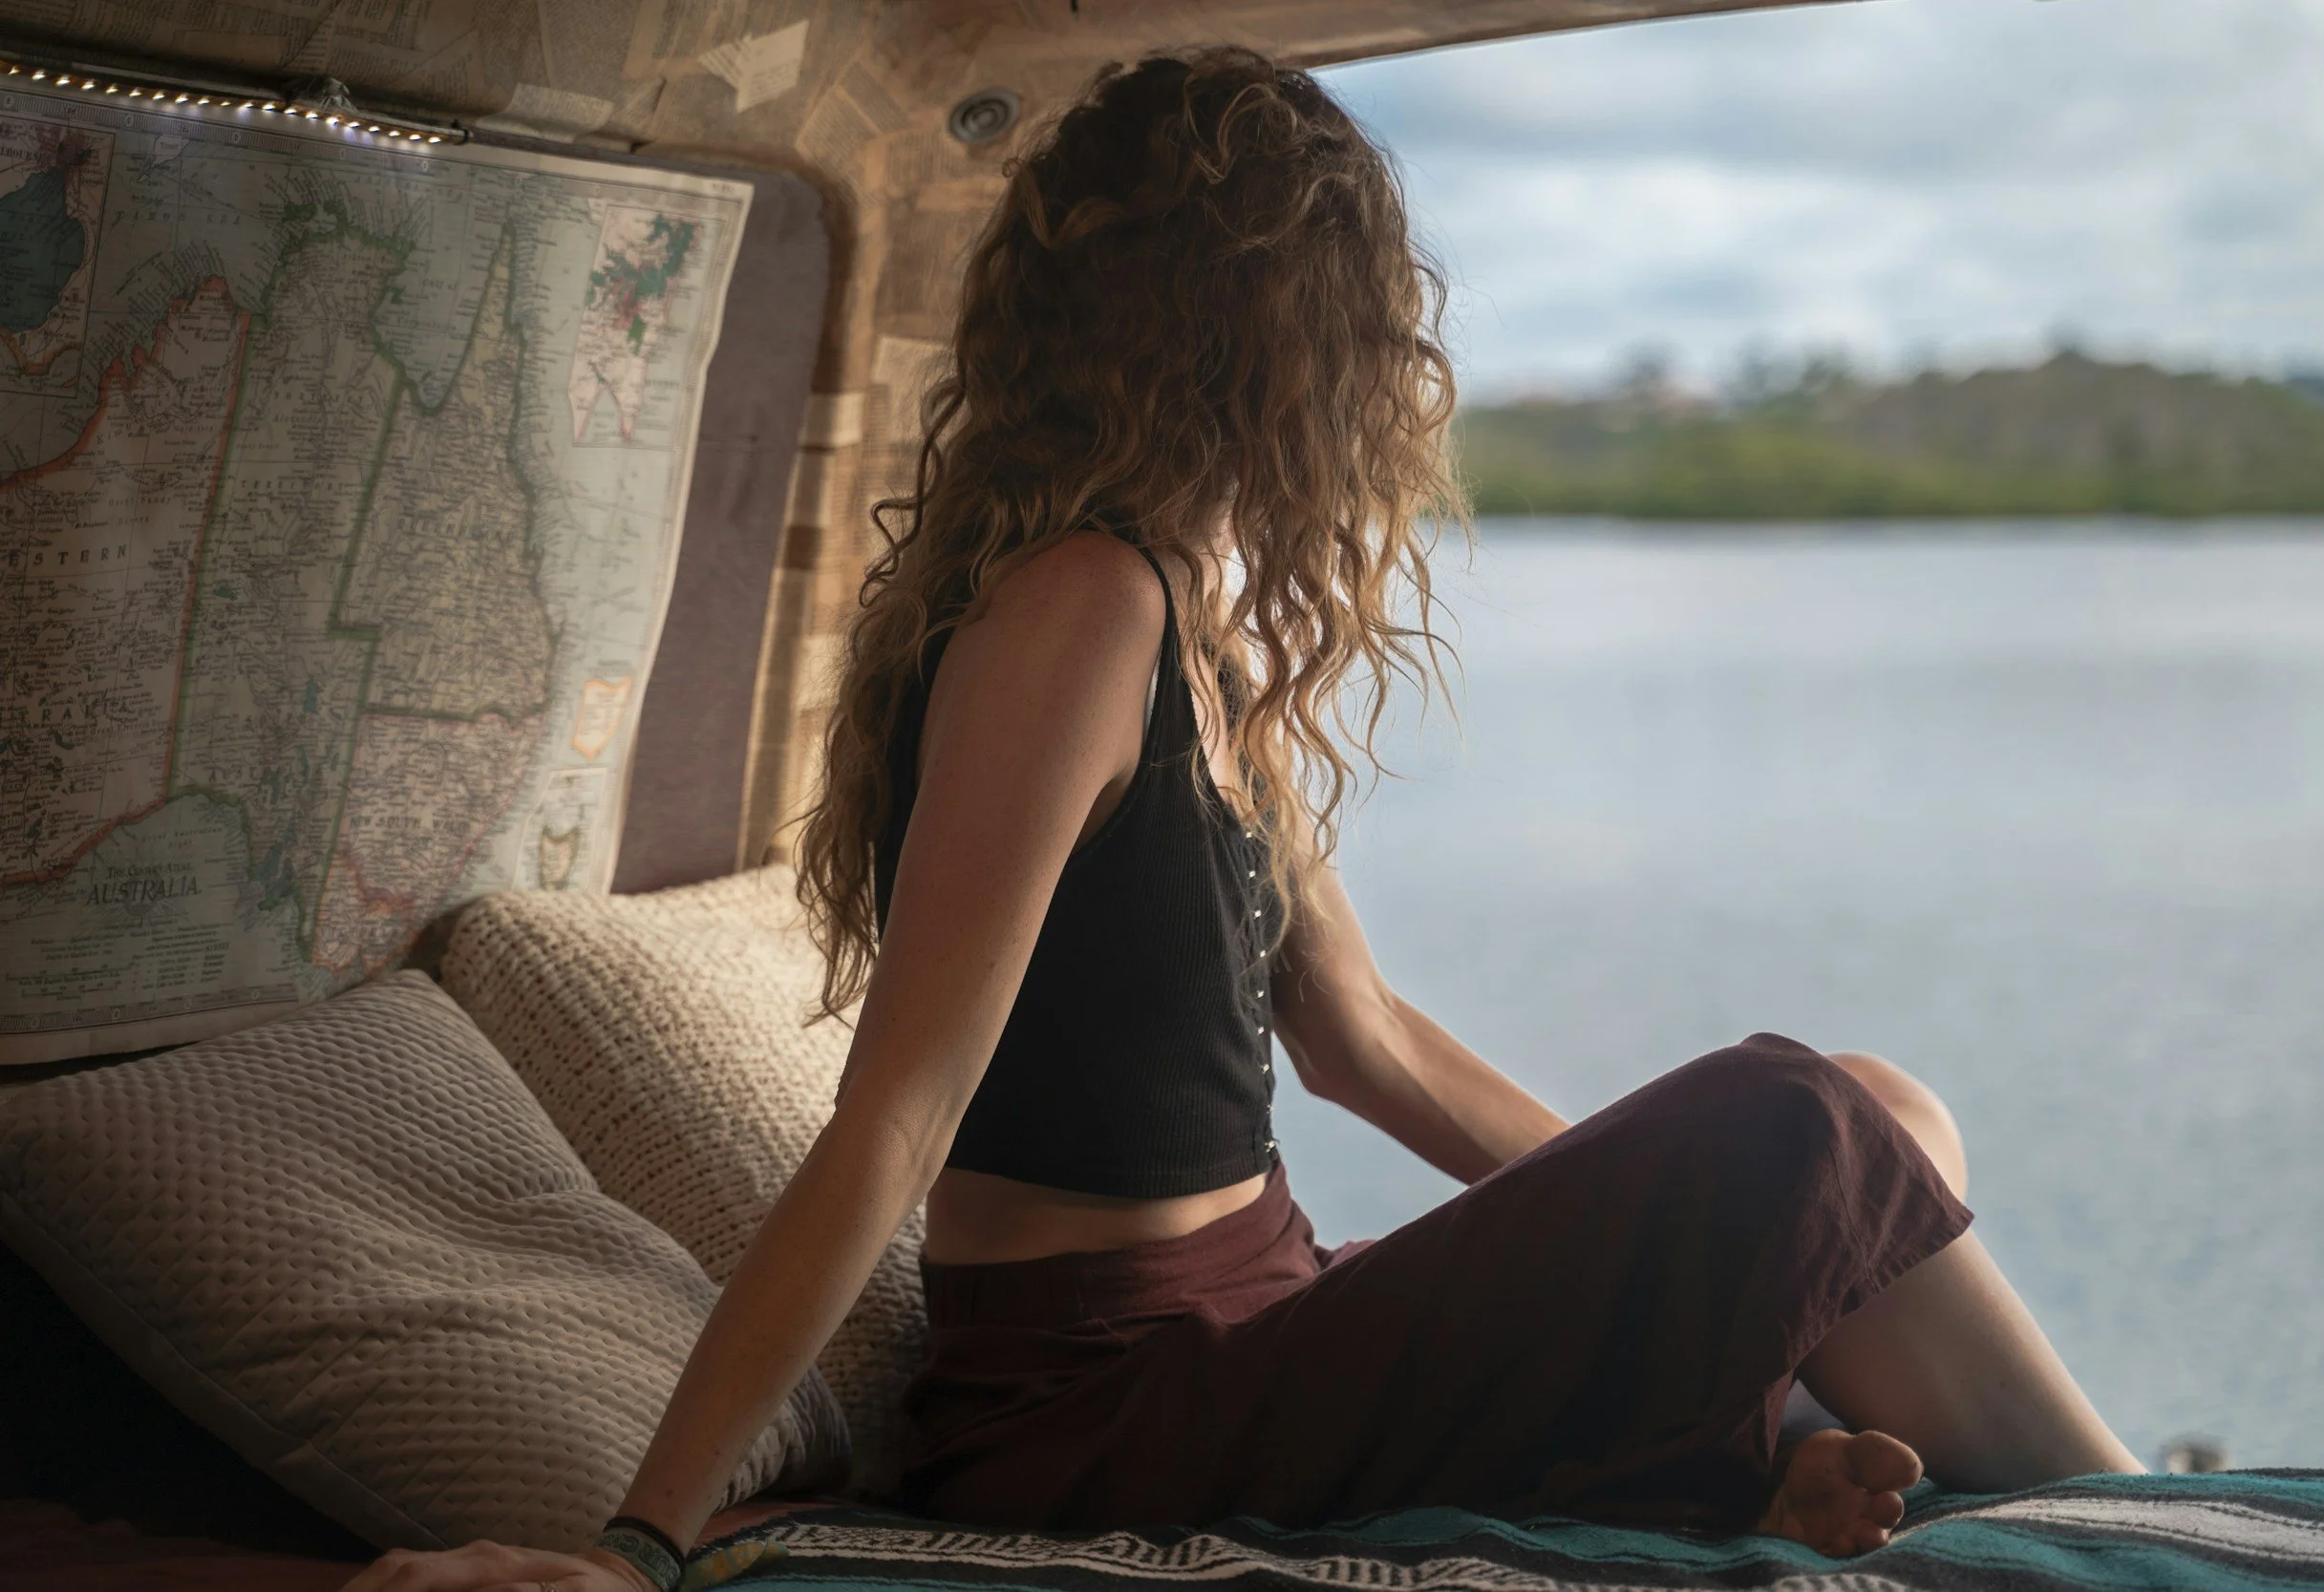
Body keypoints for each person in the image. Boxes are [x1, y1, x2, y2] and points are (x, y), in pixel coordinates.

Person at [344, 47, 2141, 1592]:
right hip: (1110, 1406)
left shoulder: (1194, 627)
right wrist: (641, 1541)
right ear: (1271, 330)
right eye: (1360, 323)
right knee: (1816, 1118)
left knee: (1860, 1143)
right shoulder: (1076, 607)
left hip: (1263, 1321)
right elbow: (897, 1111)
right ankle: (2155, 1525)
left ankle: (1780, 1450)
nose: (1383, 375)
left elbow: (1365, 1045)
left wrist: (1688, 1255)